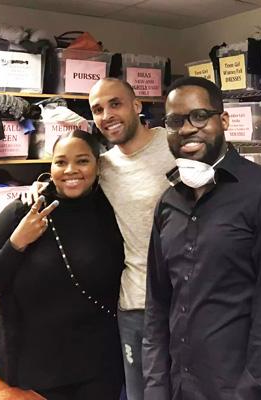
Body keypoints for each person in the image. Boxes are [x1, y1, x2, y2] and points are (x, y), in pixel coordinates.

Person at [143, 76, 261, 400]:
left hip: (246, 392)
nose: (187, 128)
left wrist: (248, 392)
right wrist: (156, 386)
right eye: (175, 121)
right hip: (182, 387)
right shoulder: (168, 202)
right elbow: (158, 304)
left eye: (199, 116)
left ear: (224, 120)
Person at [0, 130, 125, 399]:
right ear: (50, 166)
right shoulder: (23, 212)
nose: (71, 170)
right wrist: (17, 243)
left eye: (82, 161)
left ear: (97, 165)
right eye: (61, 162)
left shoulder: (112, 211)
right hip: (32, 367)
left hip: (98, 364)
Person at [88, 78, 175, 400]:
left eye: (115, 103)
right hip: (135, 302)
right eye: (97, 109)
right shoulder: (103, 167)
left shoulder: (174, 143)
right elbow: (67, 178)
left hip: (187, 296)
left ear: (137, 106)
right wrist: (38, 185)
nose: (107, 114)